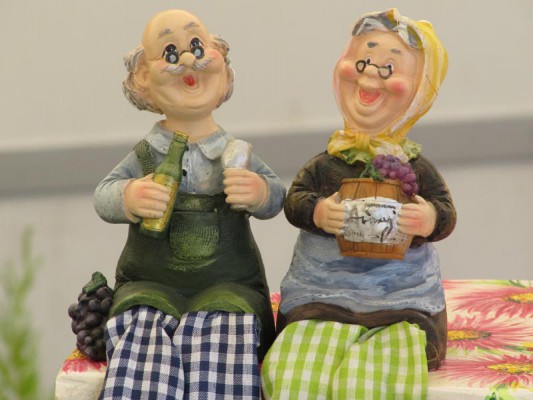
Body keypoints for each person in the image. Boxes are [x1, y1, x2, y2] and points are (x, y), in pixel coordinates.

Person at [261, 9, 456, 399]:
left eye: (388, 68)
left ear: (419, 91)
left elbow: (445, 212)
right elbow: (295, 200)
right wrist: (318, 211)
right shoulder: (327, 162)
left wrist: (429, 217)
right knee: (296, 367)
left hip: (400, 301)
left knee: (392, 358)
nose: (369, 77)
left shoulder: (413, 167)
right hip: (321, 296)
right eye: (363, 62)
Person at [94, 9, 285, 399]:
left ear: (222, 62)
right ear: (143, 77)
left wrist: (259, 192)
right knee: (141, 332)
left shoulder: (235, 153)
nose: (186, 60)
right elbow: (103, 196)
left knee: (225, 333)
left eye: (197, 46)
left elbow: (278, 197)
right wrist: (130, 196)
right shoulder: (146, 155)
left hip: (228, 285)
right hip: (150, 284)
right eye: (170, 52)